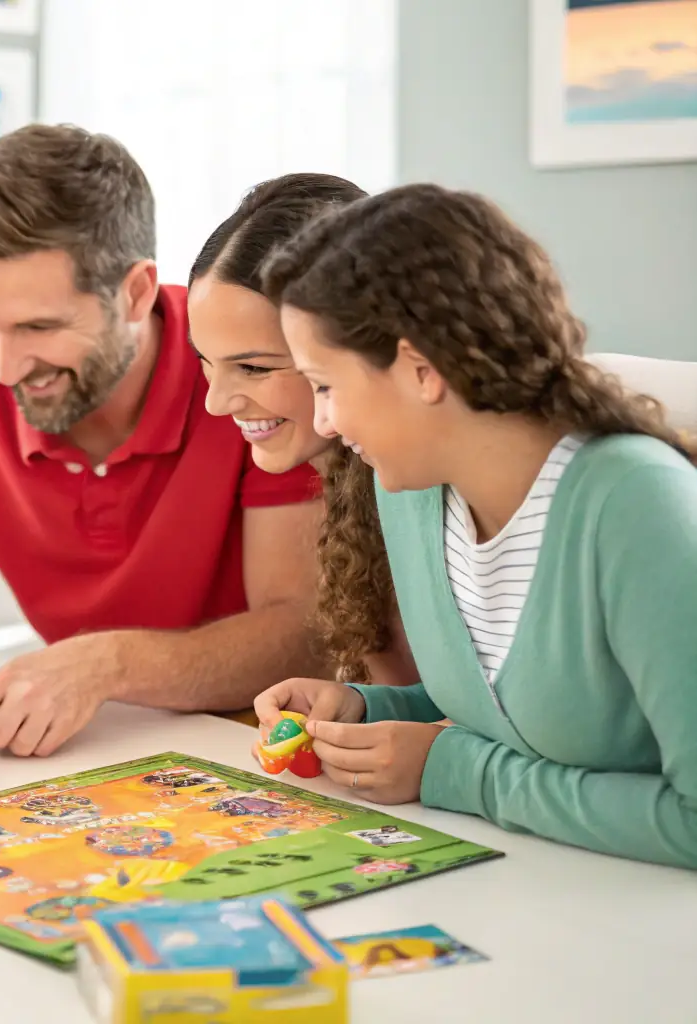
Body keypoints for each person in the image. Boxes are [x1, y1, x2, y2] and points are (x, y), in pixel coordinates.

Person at [0, 124, 329, 758]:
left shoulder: (244, 374)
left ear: (134, 293)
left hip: (258, 749)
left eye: (39, 327)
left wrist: (108, 665)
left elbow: (304, 632)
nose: (5, 367)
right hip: (91, 763)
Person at [255, 183, 697, 870]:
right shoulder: (410, 489)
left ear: (420, 370)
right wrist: (367, 709)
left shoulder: (635, 506)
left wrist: (461, 774)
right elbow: (528, 701)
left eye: (324, 384)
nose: (322, 424)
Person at [186, 172, 417, 687]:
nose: (216, 402)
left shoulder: (421, 488)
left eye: (255, 368)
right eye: (205, 361)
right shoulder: (348, 489)